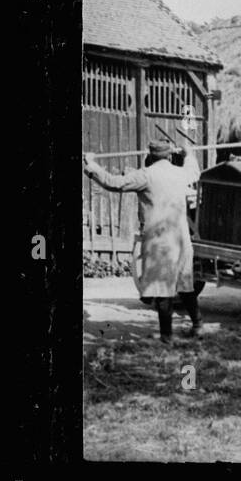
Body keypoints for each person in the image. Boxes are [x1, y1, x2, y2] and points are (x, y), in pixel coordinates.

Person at [83, 136, 201, 344]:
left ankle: (166, 337)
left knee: (162, 289)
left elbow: (113, 183)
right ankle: (198, 325)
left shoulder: (146, 175)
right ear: (170, 155)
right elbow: (194, 171)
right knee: (186, 284)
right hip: (182, 240)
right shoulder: (181, 173)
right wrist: (188, 152)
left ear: (150, 156)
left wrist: (92, 165)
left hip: (161, 241)